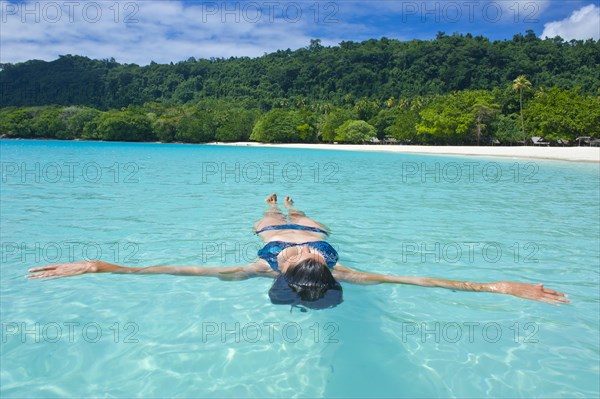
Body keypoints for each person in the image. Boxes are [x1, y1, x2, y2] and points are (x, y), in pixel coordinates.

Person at [28, 194, 569, 308]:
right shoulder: (338, 269)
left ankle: (291, 205)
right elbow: (423, 282)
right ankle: (279, 205)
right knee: (269, 218)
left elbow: (177, 270)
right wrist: (100, 265)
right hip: (279, 233)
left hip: (300, 232)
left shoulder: (261, 265)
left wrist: (502, 286)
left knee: (294, 218)